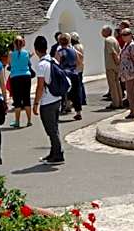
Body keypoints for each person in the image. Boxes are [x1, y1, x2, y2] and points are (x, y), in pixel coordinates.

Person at [33, 35, 68, 164]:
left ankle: (58, 155)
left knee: (51, 130)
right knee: (54, 127)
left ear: (36, 50)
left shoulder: (42, 65)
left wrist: (36, 103)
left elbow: (40, 86)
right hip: (57, 98)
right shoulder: (53, 61)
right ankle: (54, 152)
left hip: (47, 101)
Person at [56, 33, 83, 121]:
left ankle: (64, 107)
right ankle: (78, 112)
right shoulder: (74, 50)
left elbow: (56, 63)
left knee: (63, 92)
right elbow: (79, 62)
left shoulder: (59, 52)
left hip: (64, 74)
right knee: (76, 92)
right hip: (74, 73)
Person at [8, 35, 33, 128]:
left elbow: (9, 64)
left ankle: (17, 121)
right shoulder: (26, 53)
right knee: (26, 98)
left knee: (17, 99)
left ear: (14, 44)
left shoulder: (11, 54)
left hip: (15, 77)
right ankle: (29, 120)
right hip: (26, 76)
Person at [119, 28, 134, 119]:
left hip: (131, 71)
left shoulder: (132, 45)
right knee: (131, 92)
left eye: (125, 35)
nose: (123, 37)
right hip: (127, 72)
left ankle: (133, 112)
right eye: (122, 35)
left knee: (130, 92)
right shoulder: (126, 45)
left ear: (130, 35)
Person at [101, 26, 123, 110]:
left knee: (112, 85)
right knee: (117, 84)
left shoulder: (108, 40)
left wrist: (116, 61)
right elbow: (119, 51)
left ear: (107, 32)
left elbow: (113, 52)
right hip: (116, 66)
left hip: (111, 65)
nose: (102, 32)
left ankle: (115, 103)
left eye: (103, 31)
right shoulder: (114, 39)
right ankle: (120, 101)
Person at [71, 32, 87, 107]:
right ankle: (83, 99)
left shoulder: (74, 47)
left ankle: (80, 100)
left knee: (77, 85)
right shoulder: (81, 46)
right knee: (81, 83)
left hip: (76, 67)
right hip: (81, 66)